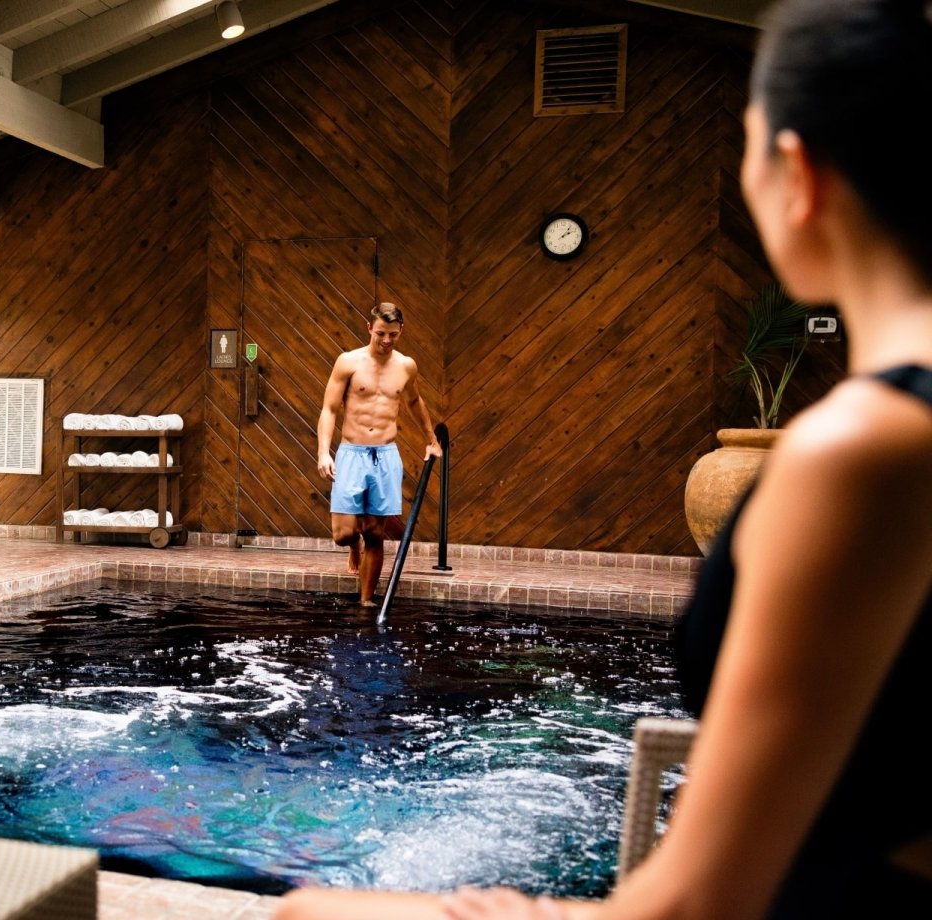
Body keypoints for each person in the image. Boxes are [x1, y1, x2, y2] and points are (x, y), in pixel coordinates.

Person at [277, 0, 932, 917]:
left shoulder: (866, 451)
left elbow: (700, 900)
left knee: (313, 912)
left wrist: (505, 909)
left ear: (798, 173)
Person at [316, 303, 442, 607]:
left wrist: (431, 440)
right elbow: (329, 409)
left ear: (401, 331)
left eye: (393, 335)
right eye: (381, 333)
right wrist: (323, 452)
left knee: (375, 531)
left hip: (385, 455)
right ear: (369, 328)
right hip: (351, 453)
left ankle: (366, 602)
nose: (387, 340)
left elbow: (415, 402)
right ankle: (352, 546)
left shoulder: (406, 366)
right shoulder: (348, 362)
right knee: (344, 533)